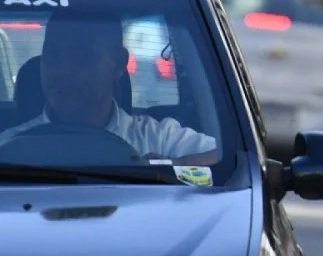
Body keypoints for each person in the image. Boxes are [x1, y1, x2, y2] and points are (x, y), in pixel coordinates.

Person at [0, 13, 218, 164]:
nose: (63, 69)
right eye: (53, 54)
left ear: (119, 64)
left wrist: (167, 165)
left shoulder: (156, 139)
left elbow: (229, 158)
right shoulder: (9, 148)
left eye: (83, 55)